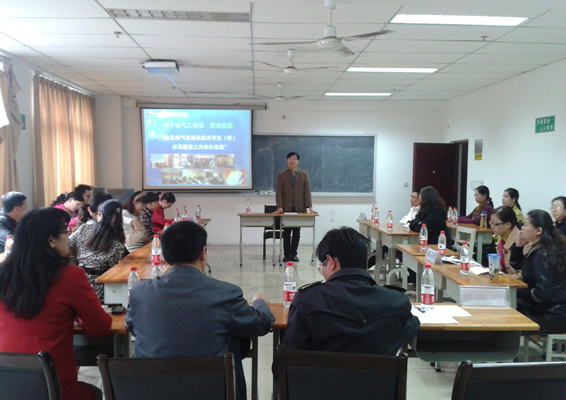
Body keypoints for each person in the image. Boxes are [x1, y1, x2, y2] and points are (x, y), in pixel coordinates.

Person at [126, 221, 274, 400]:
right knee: (232, 339)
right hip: (210, 391)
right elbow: (261, 324)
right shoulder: (224, 293)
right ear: (203, 253)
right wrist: (259, 302)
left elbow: (131, 326)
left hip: (152, 391)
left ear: (164, 254)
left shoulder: (140, 293)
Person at [0, 208, 112, 400]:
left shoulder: (3, 275)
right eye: (66, 231)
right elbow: (100, 328)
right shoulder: (69, 276)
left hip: (7, 385)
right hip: (54, 387)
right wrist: (79, 314)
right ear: (51, 240)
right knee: (94, 392)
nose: (69, 236)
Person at [278, 227, 419, 363]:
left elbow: (285, 363)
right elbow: (411, 329)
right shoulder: (397, 302)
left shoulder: (307, 300)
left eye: (322, 266)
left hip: (321, 380)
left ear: (331, 262)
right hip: (377, 380)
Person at [511, 210, 566, 334]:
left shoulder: (543, 254)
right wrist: (519, 246)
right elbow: (520, 267)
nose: (522, 228)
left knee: (502, 318)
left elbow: (541, 294)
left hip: (550, 315)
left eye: (525, 225)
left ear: (538, 231)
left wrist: (514, 291)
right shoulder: (541, 248)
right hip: (543, 310)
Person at [68, 200, 126, 302]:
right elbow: (114, 271)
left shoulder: (84, 228)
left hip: (79, 281)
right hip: (101, 289)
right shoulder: (117, 244)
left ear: (100, 215)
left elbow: (68, 244)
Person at [275, 152, 314, 262]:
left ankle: (294, 254)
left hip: (299, 208)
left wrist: (309, 206)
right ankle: (286, 255)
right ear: (287, 161)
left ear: (298, 161)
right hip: (286, 208)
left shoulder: (304, 174)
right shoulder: (282, 175)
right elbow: (279, 192)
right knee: (286, 232)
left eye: (294, 159)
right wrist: (279, 207)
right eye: (289, 159)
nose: (291, 161)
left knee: (297, 232)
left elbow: (307, 191)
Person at [490, 206, 521, 276]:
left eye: (495, 224)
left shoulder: (520, 241)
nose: (492, 226)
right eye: (491, 223)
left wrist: (503, 278)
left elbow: (522, 276)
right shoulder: (502, 238)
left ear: (508, 224)